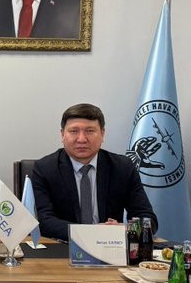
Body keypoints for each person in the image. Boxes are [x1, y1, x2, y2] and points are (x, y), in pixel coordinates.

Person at [32, 103, 157, 241]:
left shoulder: (122, 167)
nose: (82, 139)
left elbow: (148, 219)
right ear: (62, 134)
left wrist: (126, 230)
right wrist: (93, 233)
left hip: (110, 246)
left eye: (90, 131)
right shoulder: (45, 169)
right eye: (74, 131)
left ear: (102, 134)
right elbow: (44, 222)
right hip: (64, 246)